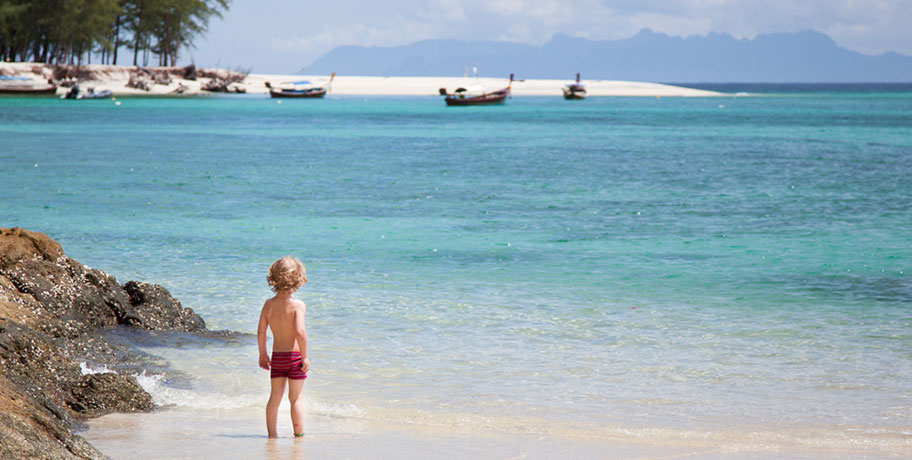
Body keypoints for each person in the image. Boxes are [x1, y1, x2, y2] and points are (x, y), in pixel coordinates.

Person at [257, 256, 310, 438]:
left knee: (274, 399)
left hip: (277, 357)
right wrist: (305, 356)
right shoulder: (297, 305)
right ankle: (299, 435)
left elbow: (261, 332)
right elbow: (300, 332)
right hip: (294, 358)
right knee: (295, 399)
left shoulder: (268, 305)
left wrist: (262, 354)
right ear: (298, 279)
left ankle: (272, 435)